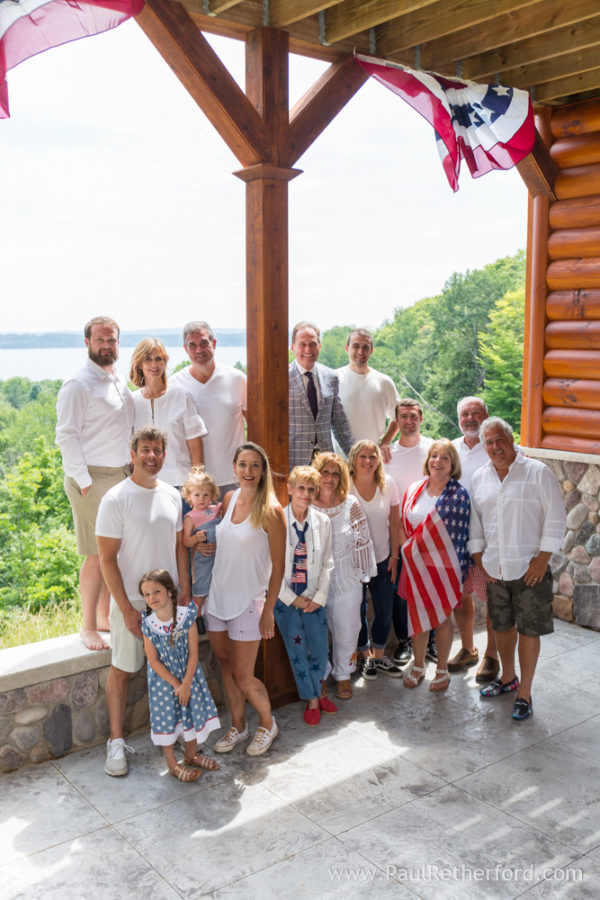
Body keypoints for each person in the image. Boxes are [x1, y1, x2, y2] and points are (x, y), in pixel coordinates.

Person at [96, 426, 191, 776]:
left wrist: (182, 591)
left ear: (165, 455)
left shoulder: (171, 495)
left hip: (168, 604)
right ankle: (116, 742)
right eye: (145, 449)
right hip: (133, 603)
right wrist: (125, 608)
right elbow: (107, 559)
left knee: (175, 672)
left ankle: (179, 731)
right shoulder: (115, 498)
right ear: (132, 453)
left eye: (158, 450)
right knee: (123, 670)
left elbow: (179, 546)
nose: (152, 456)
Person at [469, 417, 566, 720]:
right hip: (495, 569)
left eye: (500, 440)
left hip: (529, 569)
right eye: (489, 442)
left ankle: (524, 692)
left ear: (511, 440)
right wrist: (478, 560)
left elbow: (556, 518)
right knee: (501, 627)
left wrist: (542, 559)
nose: (495, 447)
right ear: (483, 446)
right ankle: (508, 678)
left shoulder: (538, 473)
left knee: (528, 630)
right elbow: (476, 523)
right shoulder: (480, 478)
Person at [56, 315, 133, 652]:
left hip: (118, 476)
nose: (106, 345)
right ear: (87, 342)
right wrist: (83, 479)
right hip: (90, 478)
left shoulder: (115, 377)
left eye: (112, 339)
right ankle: (88, 626)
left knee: (110, 553)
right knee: (94, 554)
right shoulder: (78, 383)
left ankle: (104, 617)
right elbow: (66, 435)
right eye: (100, 340)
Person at [204, 442, 286, 756]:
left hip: (249, 602)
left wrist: (268, 611)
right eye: (242, 464)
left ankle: (268, 723)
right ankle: (239, 726)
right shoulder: (229, 498)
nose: (248, 471)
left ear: (262, 470)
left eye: (254, 465)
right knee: (225, 665)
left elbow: (279, 566)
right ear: (234, 467)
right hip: (218, 598)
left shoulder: (271, 511)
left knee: (243, 674)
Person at [400, 440, 470, 693]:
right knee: (417, 618)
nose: (437, 461)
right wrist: (408, 554)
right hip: (415, 566)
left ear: (453, 466)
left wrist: (420, 551)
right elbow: (402, 526)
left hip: (443, 569)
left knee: (441, 618)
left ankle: (441, 669)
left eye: (445, 458)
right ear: (427, 460)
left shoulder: (458, 496)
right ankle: (418, 665)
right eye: (434, 456)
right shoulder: (415, 489)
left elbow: (456, 537)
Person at [140, 569, 220, 782]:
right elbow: (153, 660)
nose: (151, 598)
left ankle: (191, 755)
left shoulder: (186, 616)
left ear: (169, 592)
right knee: (167, 721)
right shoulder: (148, 624)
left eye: (156, 591)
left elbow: (194, 653)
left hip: (189, 677)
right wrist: (176, 684)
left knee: (191, 715)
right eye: (146, 595)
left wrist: (186, 683)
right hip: (164, 683)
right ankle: (173, 765)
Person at [274, 467, 336, 727]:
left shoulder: (322, 522)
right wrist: (292, 598)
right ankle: (311, 699)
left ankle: (321, 690)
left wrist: (319, 597)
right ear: (290, 488)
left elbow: (328, 562)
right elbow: (269, 567)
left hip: (314, 599)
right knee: (298, 651)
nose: (306, 494)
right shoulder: (276, 521)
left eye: (312, 489)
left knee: (321, 649)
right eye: (301, 488)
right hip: (287, 600)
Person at [312, 452, 377, 700]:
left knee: (348, 629)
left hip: (348, 578)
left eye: (335, 473)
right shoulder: (305, 503)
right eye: (325, 472)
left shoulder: (351, 504)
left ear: (341, 477)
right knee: (315, 633)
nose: (329, 478)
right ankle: (320, 676)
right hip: (314, 583)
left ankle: (342, 675)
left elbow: (363, 542)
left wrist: (363, 575)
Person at [448, 396, 499, 682]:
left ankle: (491, 655)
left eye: (476, 413)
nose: (470, 418)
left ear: (486, 416)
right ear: (458, 419)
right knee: (460, 597)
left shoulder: (495, 447)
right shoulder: (451, 448)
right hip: (456, 538)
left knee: (492, 598)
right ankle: (468, 648)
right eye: (465, 414)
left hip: (488, 538)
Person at [382, 399, 434, 666]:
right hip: (399, 535)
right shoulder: (388, 455)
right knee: (400, 592)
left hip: (430, 535)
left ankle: (432, 640)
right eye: (403, 416)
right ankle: (404, 641)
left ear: (421, 418)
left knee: (431, 589)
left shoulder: (433, 449)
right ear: (397, 421)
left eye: (413, 416)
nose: (409, 421)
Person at [170, 321, 246, 495]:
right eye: (192, 345)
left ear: (214, 343)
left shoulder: (237, 378)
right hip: (194, 483)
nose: (199, 350)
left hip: (234, 479)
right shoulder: (175, 385)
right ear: (185, 349)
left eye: (204, 343)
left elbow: (256, 426)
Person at [348, 440, 402, 679]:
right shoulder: (344, 485)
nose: (368, 461)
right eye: (363, 456)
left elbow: (395, 523)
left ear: (378, 460)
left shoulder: (388, 484)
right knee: (356, 611)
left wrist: (394, 556)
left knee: (384, 611)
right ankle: (364, 656)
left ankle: (379, 657)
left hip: (382, 559)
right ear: (354, 459)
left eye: (372, 457)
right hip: (353, 562)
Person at [130, 337, 206, 487]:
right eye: (148, 359)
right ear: (139, 364)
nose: (154, 364)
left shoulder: (181, 396)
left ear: (165, 361)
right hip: (144, 484)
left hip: (181, 483)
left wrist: (198, 480)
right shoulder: (132, 401)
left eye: (159, 359)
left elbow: (195, 445)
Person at [289, 320, 354, 467]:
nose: (308, 349)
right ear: (293, 347)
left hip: (324, 461)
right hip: (293, 461)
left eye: (312, 344)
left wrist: (355, 456)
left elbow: (339, 422)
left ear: (320, 346)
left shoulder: (331, 377)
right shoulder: (281, 379)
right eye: (302, 344)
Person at [335, 328, 399, 457]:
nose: (360, 351)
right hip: (339, 458)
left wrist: (386, 441)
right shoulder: (333, 378)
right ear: (347, 348)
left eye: (365, 347)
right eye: (356, 346)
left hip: (372, 458)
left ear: (371, 350)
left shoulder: (384, 382)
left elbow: (398, 416)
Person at [181, 468, 222, 613]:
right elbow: (185, 541)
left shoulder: (217, 509)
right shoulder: (190, 517)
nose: (201, 499)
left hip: (220, 557)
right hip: (203, 560)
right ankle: (192, 617)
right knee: (202, 590)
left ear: (212, 494)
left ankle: (206, 617)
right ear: (189, 496)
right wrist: (196, 539)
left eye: (206, 495)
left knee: (216, 590)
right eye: (196, 495)